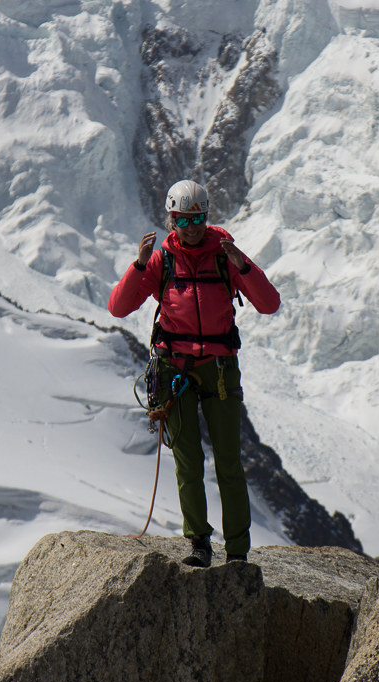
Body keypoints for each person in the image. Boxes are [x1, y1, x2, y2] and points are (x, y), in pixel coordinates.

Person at [109, 179, 280, 567]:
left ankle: (237, 552)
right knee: (187, 460)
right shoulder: (160, 261)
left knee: (228, 462)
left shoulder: (225, 256)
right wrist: (139, 265)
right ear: (171, 220)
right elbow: (119, 307)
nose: (192, 226)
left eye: (198, 217)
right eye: (183, 219)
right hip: (174, 367)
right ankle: (199, 544)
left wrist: (243, 264)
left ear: (207, 216)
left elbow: (269, 304)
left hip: (218, 366)